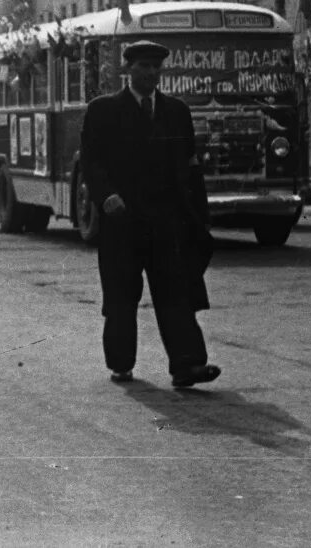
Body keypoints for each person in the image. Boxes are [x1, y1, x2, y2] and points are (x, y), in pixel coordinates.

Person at [80, 39, 217, 389]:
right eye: (144, 67)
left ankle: (187, 366)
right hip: (122, 222)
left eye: (157, 68)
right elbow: (91, 162)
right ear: (129, 69)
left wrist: (198, 219)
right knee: (122, 296)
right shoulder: (103, 110)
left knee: (175, 294)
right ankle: (122, 364)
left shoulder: (176, 112)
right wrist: (106, 195)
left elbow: (190, 169)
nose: (152, 73)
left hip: (165, 221)